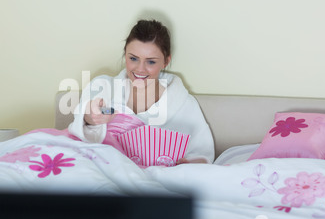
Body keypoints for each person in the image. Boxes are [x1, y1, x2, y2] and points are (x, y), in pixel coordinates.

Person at [68, 19, 215, 164]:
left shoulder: (183, 104)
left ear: (166, 61)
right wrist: (91, 117)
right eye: (133, 58)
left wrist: (187, 164)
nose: (140, 69)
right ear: (125, 54)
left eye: (151, 61)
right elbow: (80, 124)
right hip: (107, 171)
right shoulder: (103, 87)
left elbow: (202, 152)